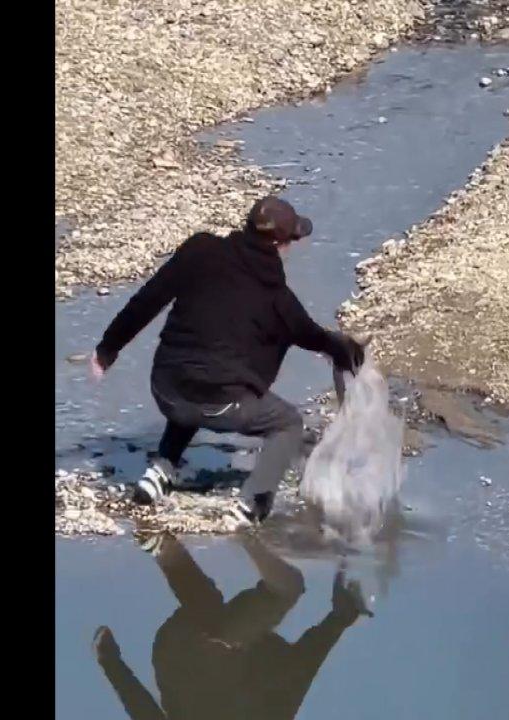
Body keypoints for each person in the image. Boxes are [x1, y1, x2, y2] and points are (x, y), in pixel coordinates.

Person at [91, 196, 364, 525]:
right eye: (292, 240)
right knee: (287, 423)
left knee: (195, 370)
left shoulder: (200, 250)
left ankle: (160, 470)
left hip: (166, 387)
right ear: (280, 244)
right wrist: (348, 352)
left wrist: (108, 349)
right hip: (220, 404)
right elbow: (313, 336)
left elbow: (149, 298)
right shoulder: (279, 299)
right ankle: (253, 504)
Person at [93, 532, 371, 720]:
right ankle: (243, 530)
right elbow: (302, 669)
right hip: (234, 643)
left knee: (209, 607)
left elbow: (144, 712)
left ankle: (163, 546)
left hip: (182, 656)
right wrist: (339, 618)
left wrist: (111, 662)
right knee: (288, 589)